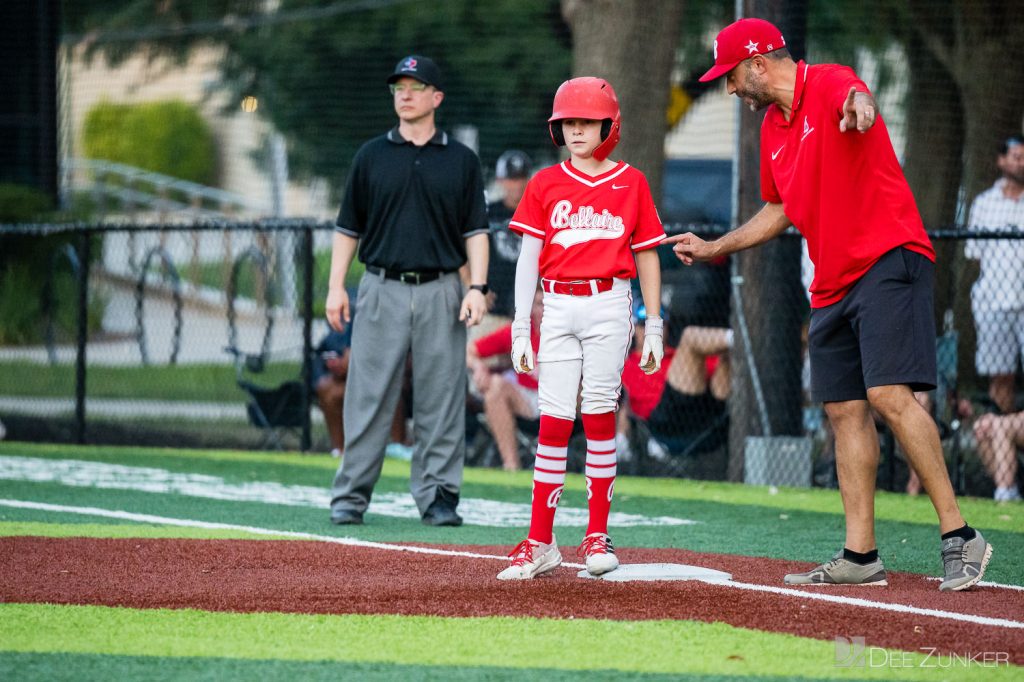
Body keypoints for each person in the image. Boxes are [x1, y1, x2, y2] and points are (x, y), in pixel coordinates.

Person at [669, 18, 991, 591]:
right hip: (832, 279)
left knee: (889, 395)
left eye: (732, 76)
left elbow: (856, 97)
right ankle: (861, 554)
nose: (730, 89)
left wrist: (861, 109)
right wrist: (717, 246)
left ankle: (961, 536)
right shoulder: (771, 127)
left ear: (760, 63)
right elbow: (779, 209)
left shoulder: (829, 83)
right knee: (843, 410)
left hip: (889, 256)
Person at [495, 77, 665, 580]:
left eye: (586, 121)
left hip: (610, 304)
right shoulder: (545, 183)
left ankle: (596, 535)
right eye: (567, 122)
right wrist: (521, 326)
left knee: (598, 415)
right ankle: (541, 541)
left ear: (609, 126)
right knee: (552, 419)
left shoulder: (631, 181)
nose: (575, 130)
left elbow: (647, 253)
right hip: (558, 306)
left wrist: (652, 323)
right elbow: (529, 259)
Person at [325, 55, 489, 527]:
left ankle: (439, 497)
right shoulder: (371, 156)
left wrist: (476, 287)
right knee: (367, 395)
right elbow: (347, 228)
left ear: (436, 97)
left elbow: (475, 231)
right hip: (379, 288)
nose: (405, 93)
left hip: (441, 290)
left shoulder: (461, 160)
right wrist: (337, 287)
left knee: (441, 397)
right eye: (399, 86)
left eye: (416, 86)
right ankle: (351, 496)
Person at [619, 313, 732, 460]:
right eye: (644, 325)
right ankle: (737, 338)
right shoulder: (625, 364)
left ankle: (735, 340)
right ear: (635, 330)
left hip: (703, 418)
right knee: (689, 336)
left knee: (723, 355)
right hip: (661, 422)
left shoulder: (682, 356)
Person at [965, 136, 1024, 415]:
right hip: (994, 302)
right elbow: (975, 253)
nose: (1021, 162)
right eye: (1015, 156)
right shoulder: (984, 204)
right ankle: (1004, 437)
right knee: (1001, 376)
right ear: (1001, 160)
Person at [466, 287, 543, 472]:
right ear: (530, 308)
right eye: (540, 304)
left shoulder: (569, 333)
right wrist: (479, 367)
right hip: (530, 399)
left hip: (567, 399)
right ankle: (512, 467)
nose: (545, 309)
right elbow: (469, 351)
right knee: (495, 386)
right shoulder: (519, 332)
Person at [313, 326, 411, 460]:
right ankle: (339, 450)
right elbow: (335, 358)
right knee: (327, 388)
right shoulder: (348, 323)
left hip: (383, 378)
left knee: (389, 386)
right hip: (352, 380)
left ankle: (399, 446)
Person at [486, 150, 534, 320]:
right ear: (500, 180)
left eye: (522, 177)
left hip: (532, 309)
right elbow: (469, 251)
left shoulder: (541, 213)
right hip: (492, 304)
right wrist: (477, 288)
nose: (518, 184)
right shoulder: (488, 213)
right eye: (512, 178)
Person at [973, 410, 1023, 502]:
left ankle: (1005, 494)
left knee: (1002, 425)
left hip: (1013, 420)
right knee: (982, 427)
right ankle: (1011, 492)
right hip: (1010, 416)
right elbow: (1007, 406)